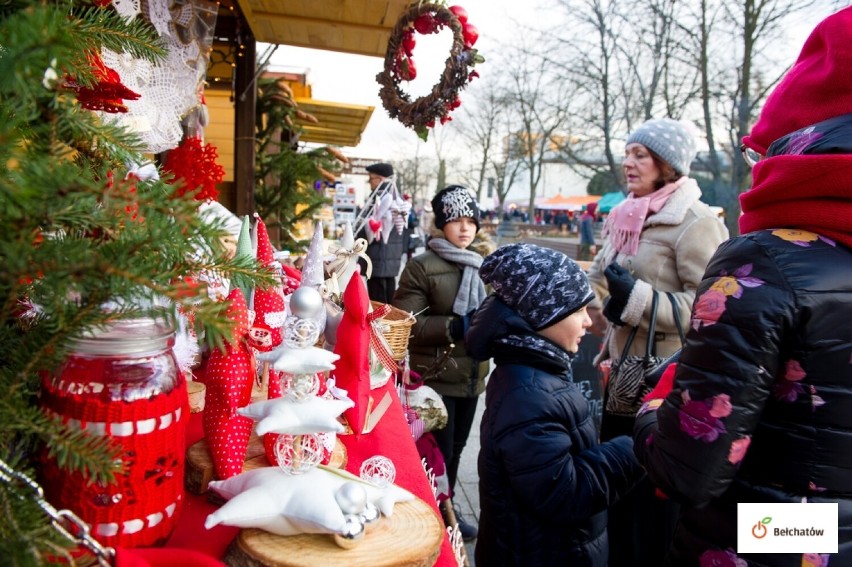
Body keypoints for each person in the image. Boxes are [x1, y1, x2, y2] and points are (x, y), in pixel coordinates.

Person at [633, 7, 852, 565]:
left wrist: (653, 399)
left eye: (762, 150)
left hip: (768, 540)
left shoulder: (761, 257)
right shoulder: (629, 216)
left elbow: (692, 471)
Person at [587, 117, 729, 566]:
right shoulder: (623, 213)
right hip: (619, 368)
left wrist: (637, 299)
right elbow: (599, 277)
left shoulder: (696, 221)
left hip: (662, 376)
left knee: (652, 494)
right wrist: (590, 301)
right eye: (628, 153)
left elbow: (712, 308)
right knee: (619, 479)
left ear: (666, 164)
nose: (628, 163)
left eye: (640, 155)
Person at [466, 243, 645, 566]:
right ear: (542, 314)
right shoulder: (528, 393)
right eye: (578, 310)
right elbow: (563, 492)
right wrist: (636, 449)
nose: (589, 322)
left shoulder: (534, 371)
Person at [392, 185, 494, 541]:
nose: (465, 228)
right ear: (441, 224)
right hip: (436, 376)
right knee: (436, 451)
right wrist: (457, 325)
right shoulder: (422, 266)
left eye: (471, 220)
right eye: (456, 221)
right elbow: (406, 321)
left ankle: (445, 508)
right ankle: (435, 511)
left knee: (457, 450)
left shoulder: (486, 264)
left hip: (472, 375)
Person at [360, 162, 404, 304]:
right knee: (388, 291)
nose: (369, 183)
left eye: (371, 179)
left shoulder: (381, 199)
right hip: (388, 256)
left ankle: (380, 325)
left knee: (377, 298)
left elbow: (369, 224)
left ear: (380, 179)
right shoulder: (396, 198)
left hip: (378, 255)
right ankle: (389, 323)